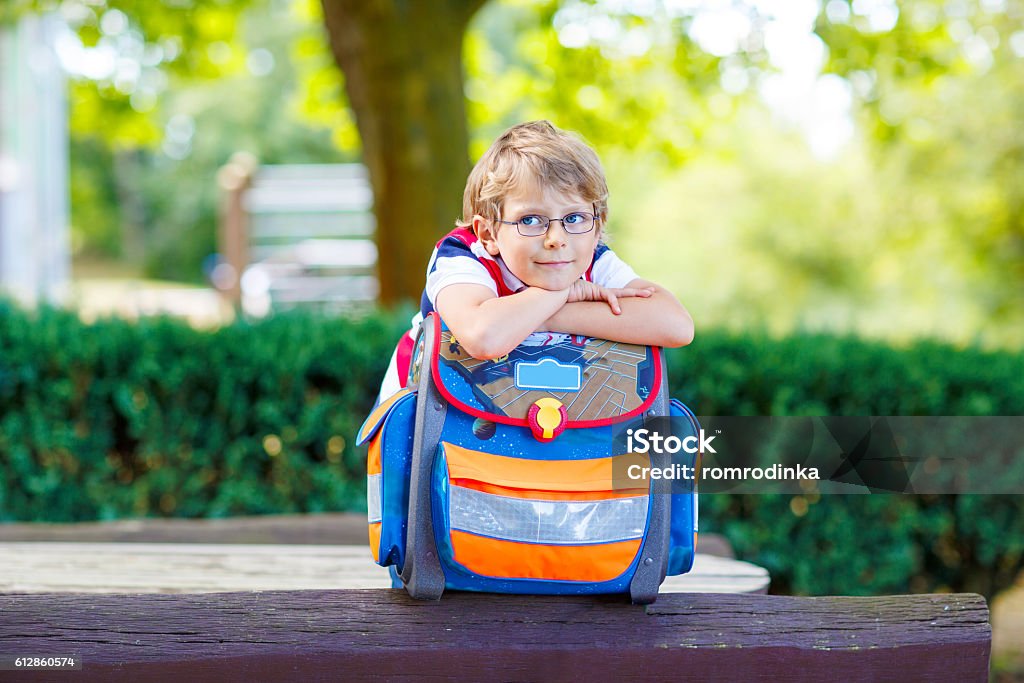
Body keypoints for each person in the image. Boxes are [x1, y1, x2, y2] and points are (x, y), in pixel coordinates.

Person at [377, 120, 693, 402]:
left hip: (541, 421)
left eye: (574, 217)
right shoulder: (463, 257)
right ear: (488, 233)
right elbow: (484, 337)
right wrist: (561, 292)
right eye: (530, 220)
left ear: (597, 228)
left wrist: (548, 314)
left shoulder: (588, 257)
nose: (557, 237)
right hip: (433, 423)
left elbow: (675, 325)